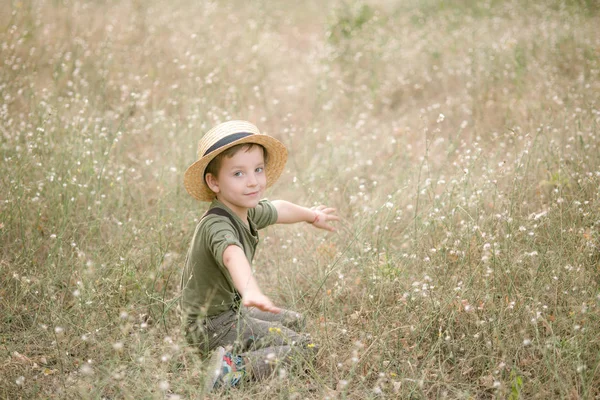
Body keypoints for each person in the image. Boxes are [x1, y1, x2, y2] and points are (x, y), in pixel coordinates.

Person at [180, 120, 339, 392]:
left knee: (296, 322)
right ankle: (230, 369)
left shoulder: (245, 210)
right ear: (214, 181)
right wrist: (250, 289)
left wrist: (312, 216)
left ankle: (227, 353)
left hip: (228, 311)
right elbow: (232, 255)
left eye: (258, 169)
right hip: (210, 325)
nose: (253, 181)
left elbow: (279, 208)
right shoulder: (217, 225)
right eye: (238, 174)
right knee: (304, 345)